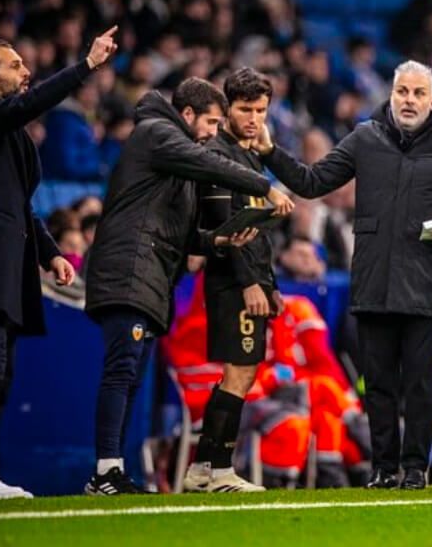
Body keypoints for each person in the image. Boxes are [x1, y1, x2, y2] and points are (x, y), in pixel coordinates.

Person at [252, 60, 432, 490]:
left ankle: (414, 469)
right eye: (402, 92)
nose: (409, 100)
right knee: (377, 385)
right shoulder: (365, 138)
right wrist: (270, 153)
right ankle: (383, 468)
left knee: (420, 386)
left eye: (418, 93)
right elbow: (311, 182)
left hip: (428, 289)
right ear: (391, 95)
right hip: (374, 286)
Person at [82, 78, 294, 495]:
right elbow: (209, 164)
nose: (214, 133)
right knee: (121, 371)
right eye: (212, 122)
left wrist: (217, 242)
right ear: (188, 114)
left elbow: (182, 234)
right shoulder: (157, 133)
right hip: (129, 269)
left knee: (132, 375)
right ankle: (107, 470)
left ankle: (113, 470)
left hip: (149, 275)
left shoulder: (175, 163)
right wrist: (264, 184)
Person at [0, 28, 118, 500]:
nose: (25, 71)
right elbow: (30, 104)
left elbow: (21, 204)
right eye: (15, 65)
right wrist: (86, 65)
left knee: (0, 373)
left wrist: (51, 253)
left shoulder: (9, 133)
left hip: (7, 270)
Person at [182, 68, 283, 493]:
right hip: (231, 282)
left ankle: (203, 468)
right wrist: (249, 283)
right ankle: (218, 469)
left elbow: (256, 233)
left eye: (261, 110)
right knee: (238, 373)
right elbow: (225, 228)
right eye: (245, 110)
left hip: (251, 280)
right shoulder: (218, 156)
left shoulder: (250, 156)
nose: (254, 118)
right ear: (227, 110)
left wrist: (270, 282)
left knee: (241, 373)